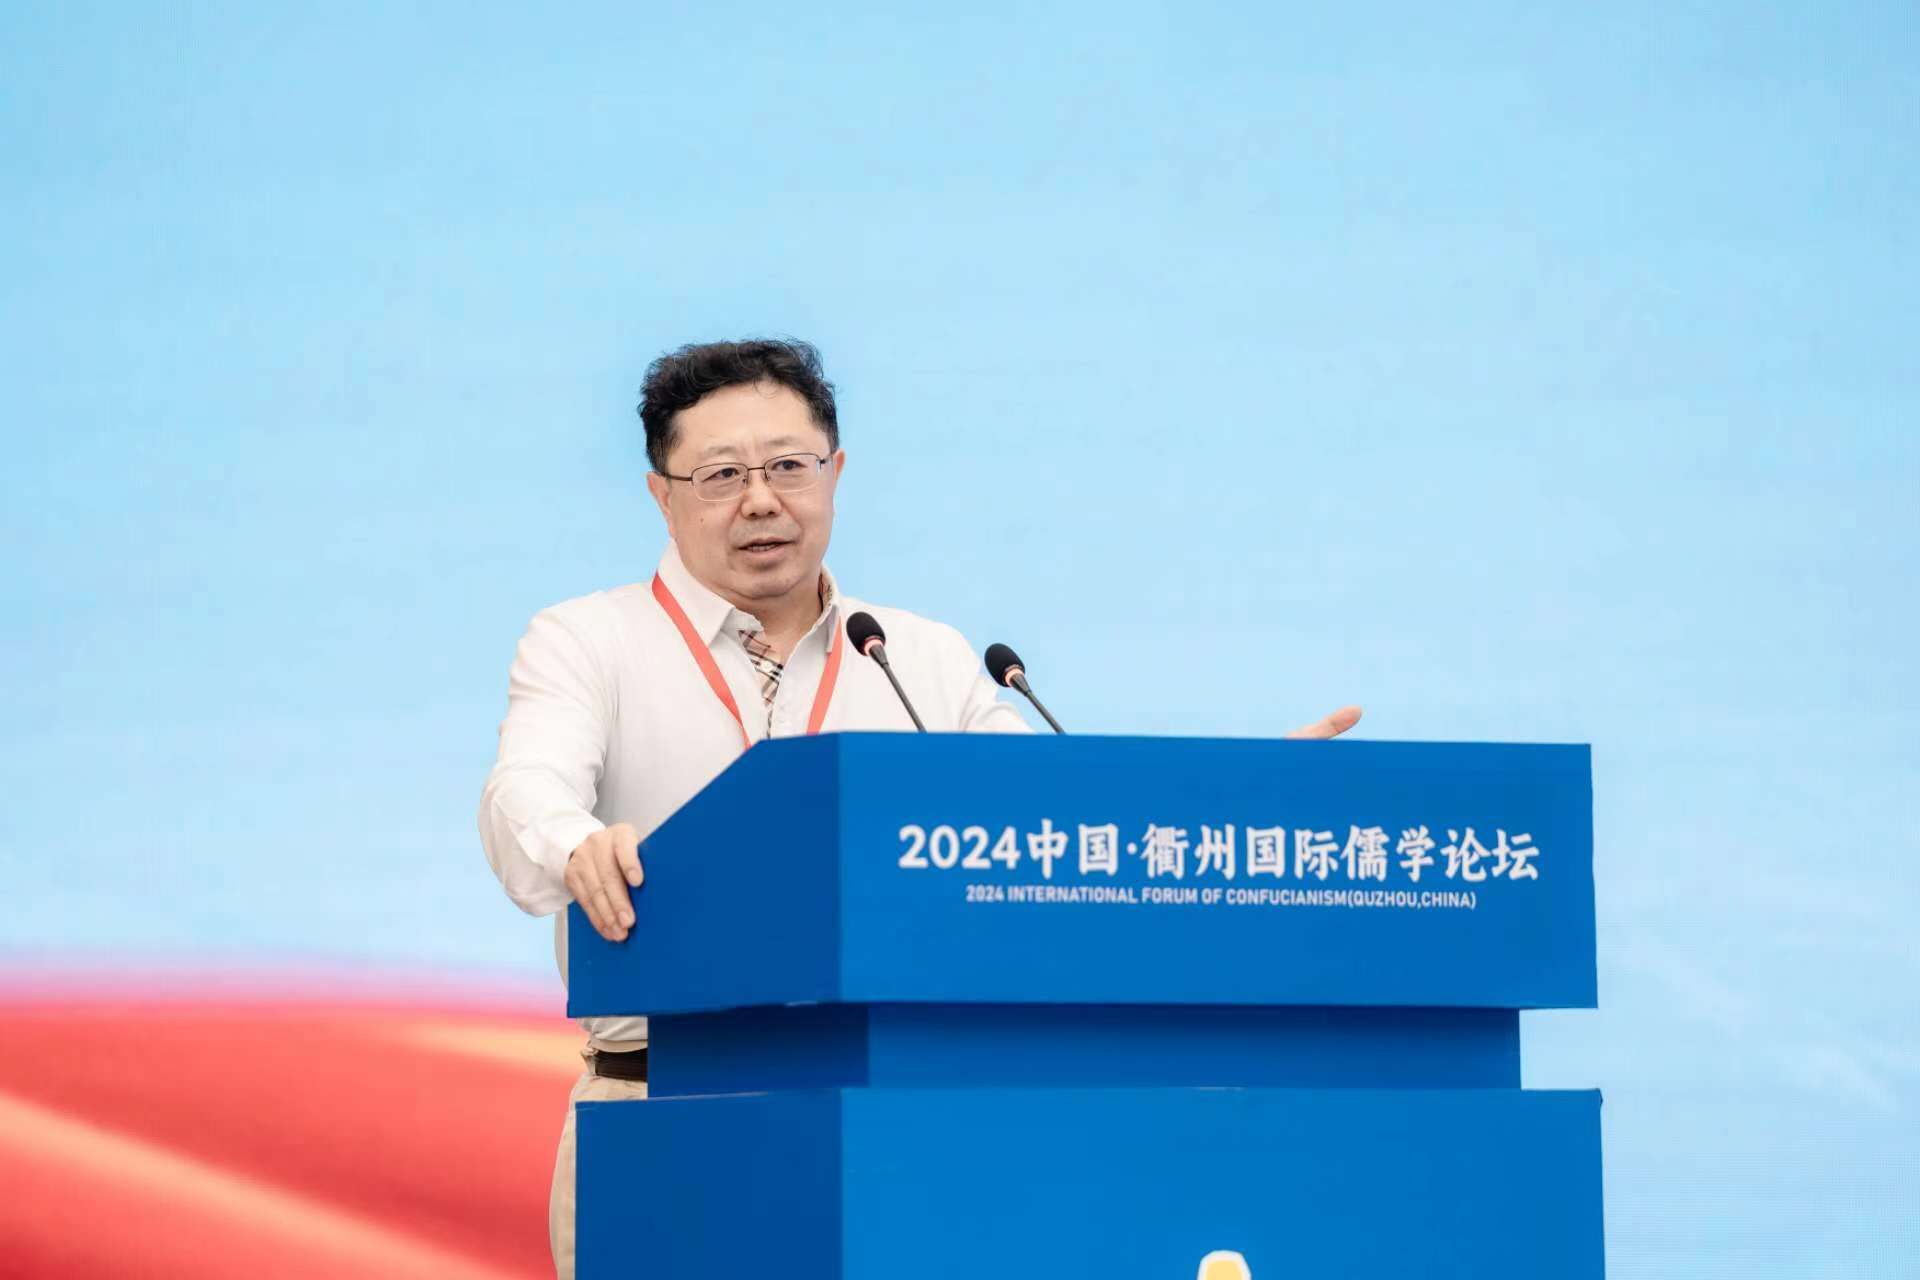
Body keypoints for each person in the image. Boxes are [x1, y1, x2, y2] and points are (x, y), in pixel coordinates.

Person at [476, 338, 1360, 1279]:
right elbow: (525, 788)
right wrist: (576, 845)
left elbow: (1053, 824)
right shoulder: (589, 642)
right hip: (662, 1112)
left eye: (788, 466)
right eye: (722, 474)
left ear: (835, 473)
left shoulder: (915, 657)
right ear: (662, 494)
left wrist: (1230, 810)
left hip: (904, 1131)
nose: (761, 499)